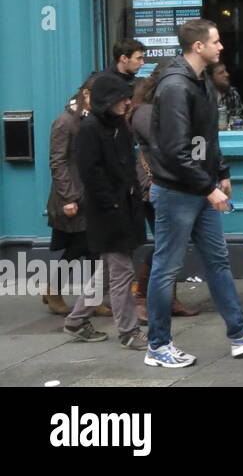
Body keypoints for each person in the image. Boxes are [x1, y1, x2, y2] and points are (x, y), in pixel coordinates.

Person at [143, 18, 243, 368]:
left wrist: (220, 173)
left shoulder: (199, 80)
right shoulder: (176, 85)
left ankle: (239, 332)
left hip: (199, 188)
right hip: (177, 191)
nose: (221, 47)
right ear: (197, 47)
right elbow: (176, 150)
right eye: (216, 42)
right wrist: (208, 187)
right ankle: (157, 346)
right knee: (166, 268)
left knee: (217, 261)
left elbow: (206, 135)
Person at [62, 74, 150, 349]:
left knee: (105, 272)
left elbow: (128, 166)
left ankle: (76, 321)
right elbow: (91, 173)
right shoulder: (90, 129)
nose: (127, 101)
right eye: (121, 97)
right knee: (122, 273)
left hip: (125, 206)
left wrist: (133, 196)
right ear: (106, 100)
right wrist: (113, 204)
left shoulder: (120, 127)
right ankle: (128, 331)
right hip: (107, 212)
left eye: (127, 96)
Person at [127, 75, 199, 324]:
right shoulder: (145, 112)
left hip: (163, 182)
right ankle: (142, 298)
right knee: (165, 244)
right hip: (154, 184)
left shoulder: (153, 110)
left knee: (171, 243)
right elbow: (168, 145)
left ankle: (168, 299)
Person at [43, 80, 98, 317]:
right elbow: (58, 162)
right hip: (74, 196)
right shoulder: (64, 122)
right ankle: (53, 289)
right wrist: (69, 197)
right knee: (80, 246)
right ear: (86, 94)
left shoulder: (92, 119)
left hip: (91, 195)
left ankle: (93, 299)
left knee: (95, 249)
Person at [209, 62, 243, 129]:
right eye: (221, 73)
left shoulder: (233, 94)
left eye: (225, 71)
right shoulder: (204, 95)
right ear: (211, 78)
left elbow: (238, 117)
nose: (227, 74)